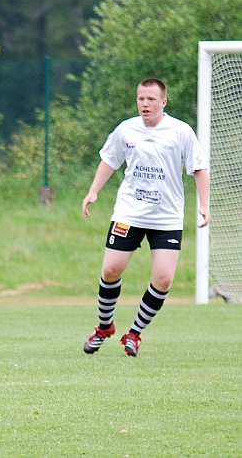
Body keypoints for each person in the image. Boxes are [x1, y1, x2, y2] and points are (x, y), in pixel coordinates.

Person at [82, 78, 209, 357]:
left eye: (151, 99)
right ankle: (104, 327)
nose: (145, 104)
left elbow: (199, 167)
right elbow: (109, 160)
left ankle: (134, 333)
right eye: (141, 99)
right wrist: (93, 192)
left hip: (166, 217)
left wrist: (204, 205)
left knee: (163, 278)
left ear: (163, 102)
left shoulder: (180, 131)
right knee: (111, 270)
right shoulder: (126, 129)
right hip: (130, 212)